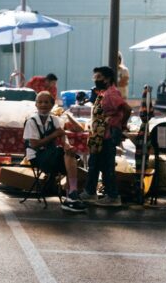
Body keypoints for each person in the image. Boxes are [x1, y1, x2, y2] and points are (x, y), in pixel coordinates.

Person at [23, 91, 85, 212]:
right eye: (40, 102)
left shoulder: (54, 119)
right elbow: (35, 145)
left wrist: (67, 144)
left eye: (46, 102)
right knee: (66, 156)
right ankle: (72, 194)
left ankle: (71, 198)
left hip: (50, 155)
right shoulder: (32, 122)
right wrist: (54, 135)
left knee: (71, 155)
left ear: (52, 105)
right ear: (36, 105)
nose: (43, 105)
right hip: (37, 157)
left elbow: (62, 134)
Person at [80, 66, 132, 207]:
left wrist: (121, 125)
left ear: (107, 79)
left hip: (107, 136)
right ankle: (90, 193)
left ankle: (112, 196)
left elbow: (127, 109)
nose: (96, 80)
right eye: (95, 78)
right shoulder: (104, 93)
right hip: (99, 136)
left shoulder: (111, 94)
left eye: (99, 78)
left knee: (106, 166)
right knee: (94, 164)